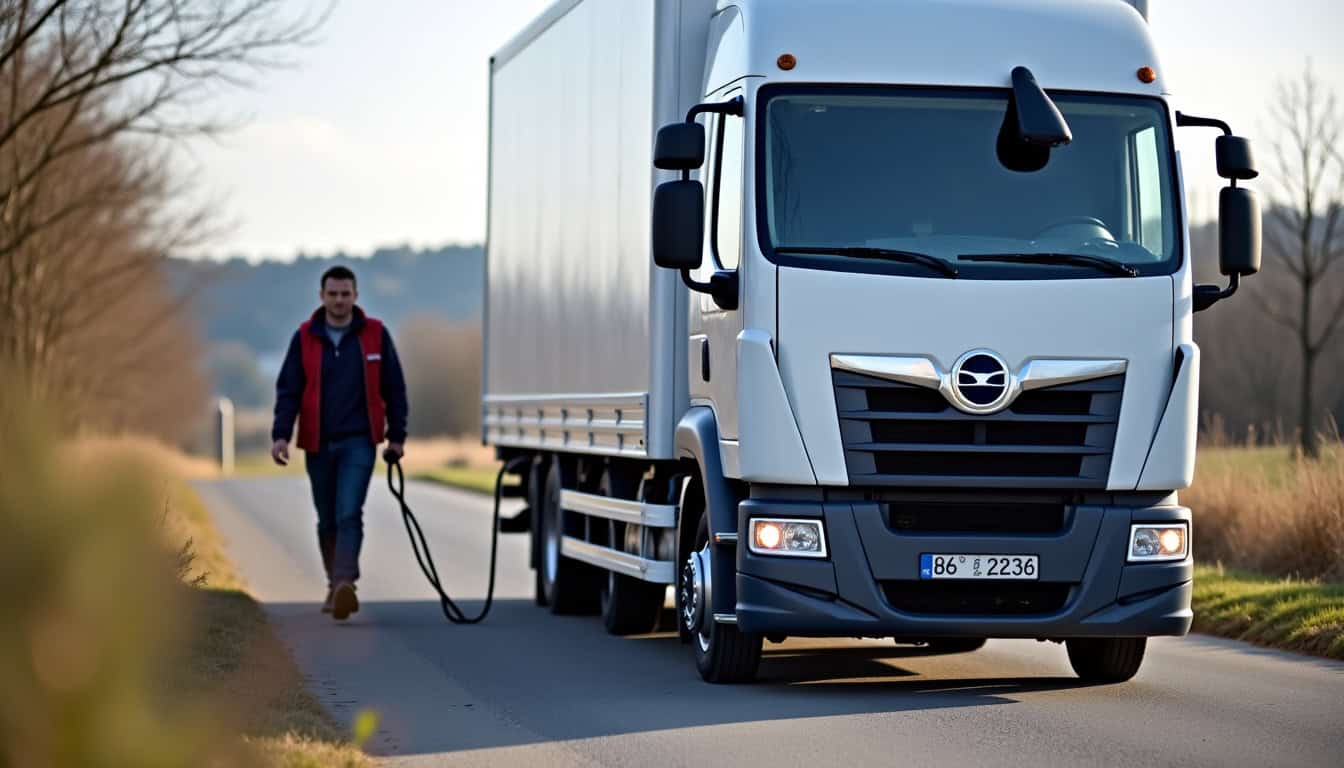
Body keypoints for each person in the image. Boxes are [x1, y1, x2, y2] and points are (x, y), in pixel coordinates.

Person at [271, 265, 409, 621]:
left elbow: (395, 389)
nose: (339, 300)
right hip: (317, 443)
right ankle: (335, 583)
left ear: (356, 296)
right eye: (332, 293)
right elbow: (288, 391)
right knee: (326, 519)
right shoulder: (304, 338)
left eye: (345, 293)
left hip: (359, 443)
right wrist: (280, 436)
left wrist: (397, 437)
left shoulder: (376, 335)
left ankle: (346, 582)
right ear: (321, 296)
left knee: (349, 512)